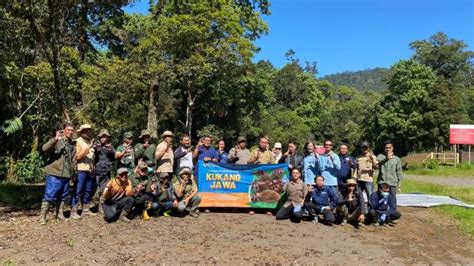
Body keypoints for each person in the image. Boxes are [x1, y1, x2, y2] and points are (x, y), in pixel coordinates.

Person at [39, 123, 76, 225]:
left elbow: (73, 160)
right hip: (54, 172)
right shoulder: (56, 140)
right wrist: (55, 139)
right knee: (50, 195)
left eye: (72, 130)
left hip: (66, 174)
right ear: (63, 130)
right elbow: (44, 148)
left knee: (63, 196)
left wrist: (73, 173)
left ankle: (59, 214)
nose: (70, 132)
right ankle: (42, 217)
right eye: (68, 130)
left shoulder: (72, 144)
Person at [71, 124, 96, 219]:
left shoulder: (90, 142)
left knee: (88, 190)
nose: (88, 132)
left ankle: (85, 210)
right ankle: (74, 211)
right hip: (81, 169)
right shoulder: (78, 142)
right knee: (78, 190)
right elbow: (77, 157)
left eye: (89, 130)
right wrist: (88, 148)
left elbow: (93, 157)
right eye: (86, 131)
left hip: (90, 170)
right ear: (81, 132)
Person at [92, 129, 115, 214]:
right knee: (95, 190)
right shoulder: (96, 146)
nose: (103, 138)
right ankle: (94, 205)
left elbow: (115, 157)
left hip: (106, 171)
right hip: (97, 171)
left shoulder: (110, 147)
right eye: (102, 137)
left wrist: (111, 150)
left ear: (108, 138)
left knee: (104, 190)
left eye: (105, 137)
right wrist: (94, 148)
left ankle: (101, 207)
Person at [377, 140, 402, 209]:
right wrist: (386, 159)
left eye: (389, 147)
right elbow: (376, 165)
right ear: (384, 148)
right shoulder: (380, 156)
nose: (388, 149)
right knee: (381, 198)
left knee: (392, 199)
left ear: (392, 148)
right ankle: (382, 214)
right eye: (386, 147)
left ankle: (393, 214)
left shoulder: (397, 159)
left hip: (392, 182)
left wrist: (399, 183)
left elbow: (399, 172)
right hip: (382, 181)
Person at [355, 141, 378, 207]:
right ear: (361, 148)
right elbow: (356, 168)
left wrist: (373, 159)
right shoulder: (358, 157)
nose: (364, 149)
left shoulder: (372, 156)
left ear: (368, 148)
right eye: (363, 148)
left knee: (370, 196)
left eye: (366, 148)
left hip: (368, 180)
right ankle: (359, 211)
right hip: (359, 179)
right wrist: (355, 177)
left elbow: (376, 167)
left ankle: (371, 211)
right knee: (358, 196)